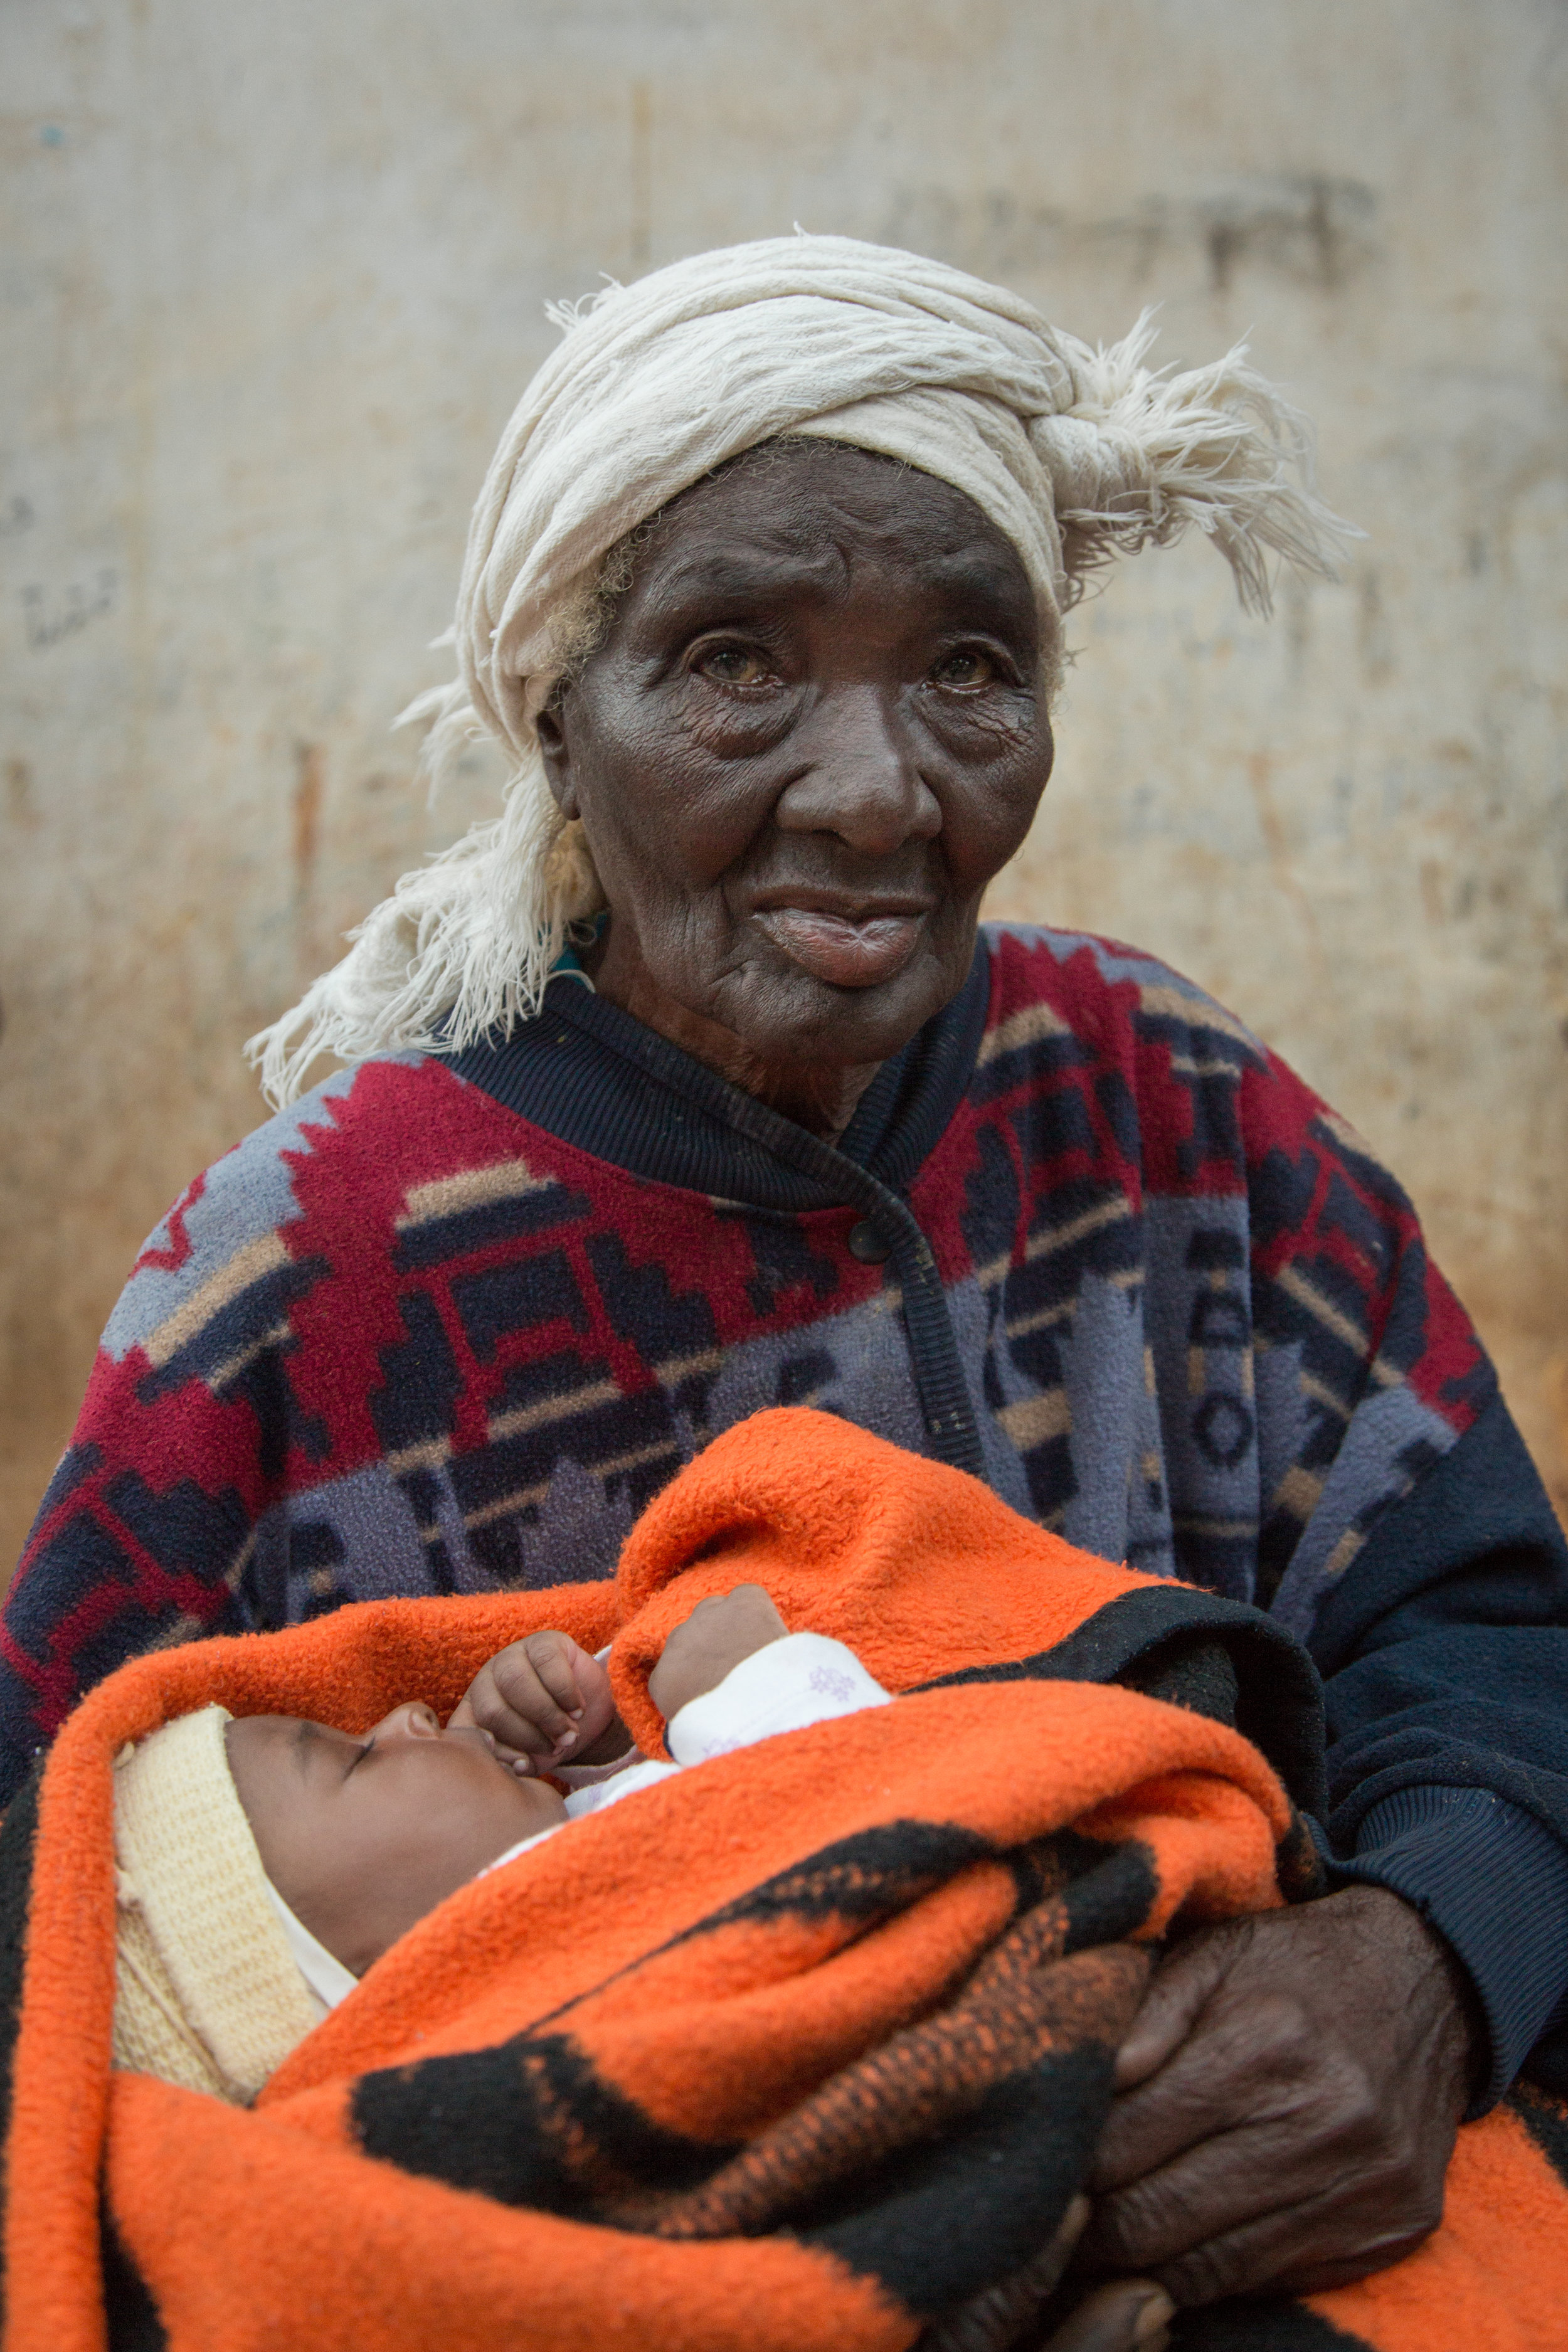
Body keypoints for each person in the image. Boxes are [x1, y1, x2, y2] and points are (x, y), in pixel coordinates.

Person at [6, 233, 1567, 2318]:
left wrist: (1430, 1958)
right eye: (737, 661)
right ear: (561, 722)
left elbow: (1482, 1629)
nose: (874, 791)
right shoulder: (303, 1266)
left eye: (965, 671)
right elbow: (67, 1911)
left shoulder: (1176, 1111)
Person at [112, 1586, 886, 2093]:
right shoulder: (571, 2040)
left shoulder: (560, 1933)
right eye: (358, 1757)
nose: (410, 1713)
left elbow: (654, 1830)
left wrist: (596, 1754)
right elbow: (882, 1849)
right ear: (381, 1979)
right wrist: (751, 1687)